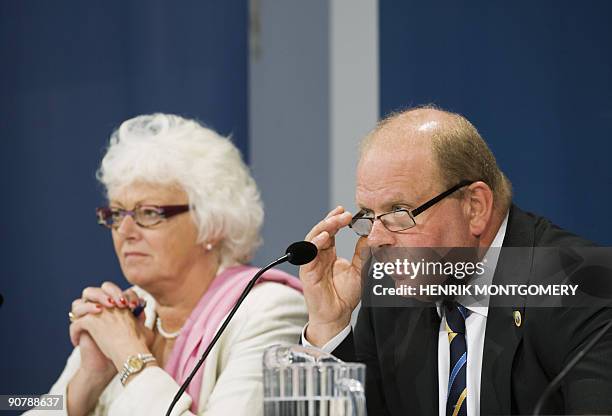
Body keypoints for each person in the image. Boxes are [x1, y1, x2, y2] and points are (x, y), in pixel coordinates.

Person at [300, 106, 612, 415]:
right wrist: (329, 326)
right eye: (368, 215)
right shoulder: (391, 288)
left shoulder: (581, 289)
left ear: (474, 207)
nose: (377, 239)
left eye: (398, 212)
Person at [27, 114, 307, 415]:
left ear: (210, 223)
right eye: (118, 214)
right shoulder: (125, 312)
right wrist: (89, 378)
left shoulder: (269, 312)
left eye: (148, 213)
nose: (125, 231)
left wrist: (129, 356)